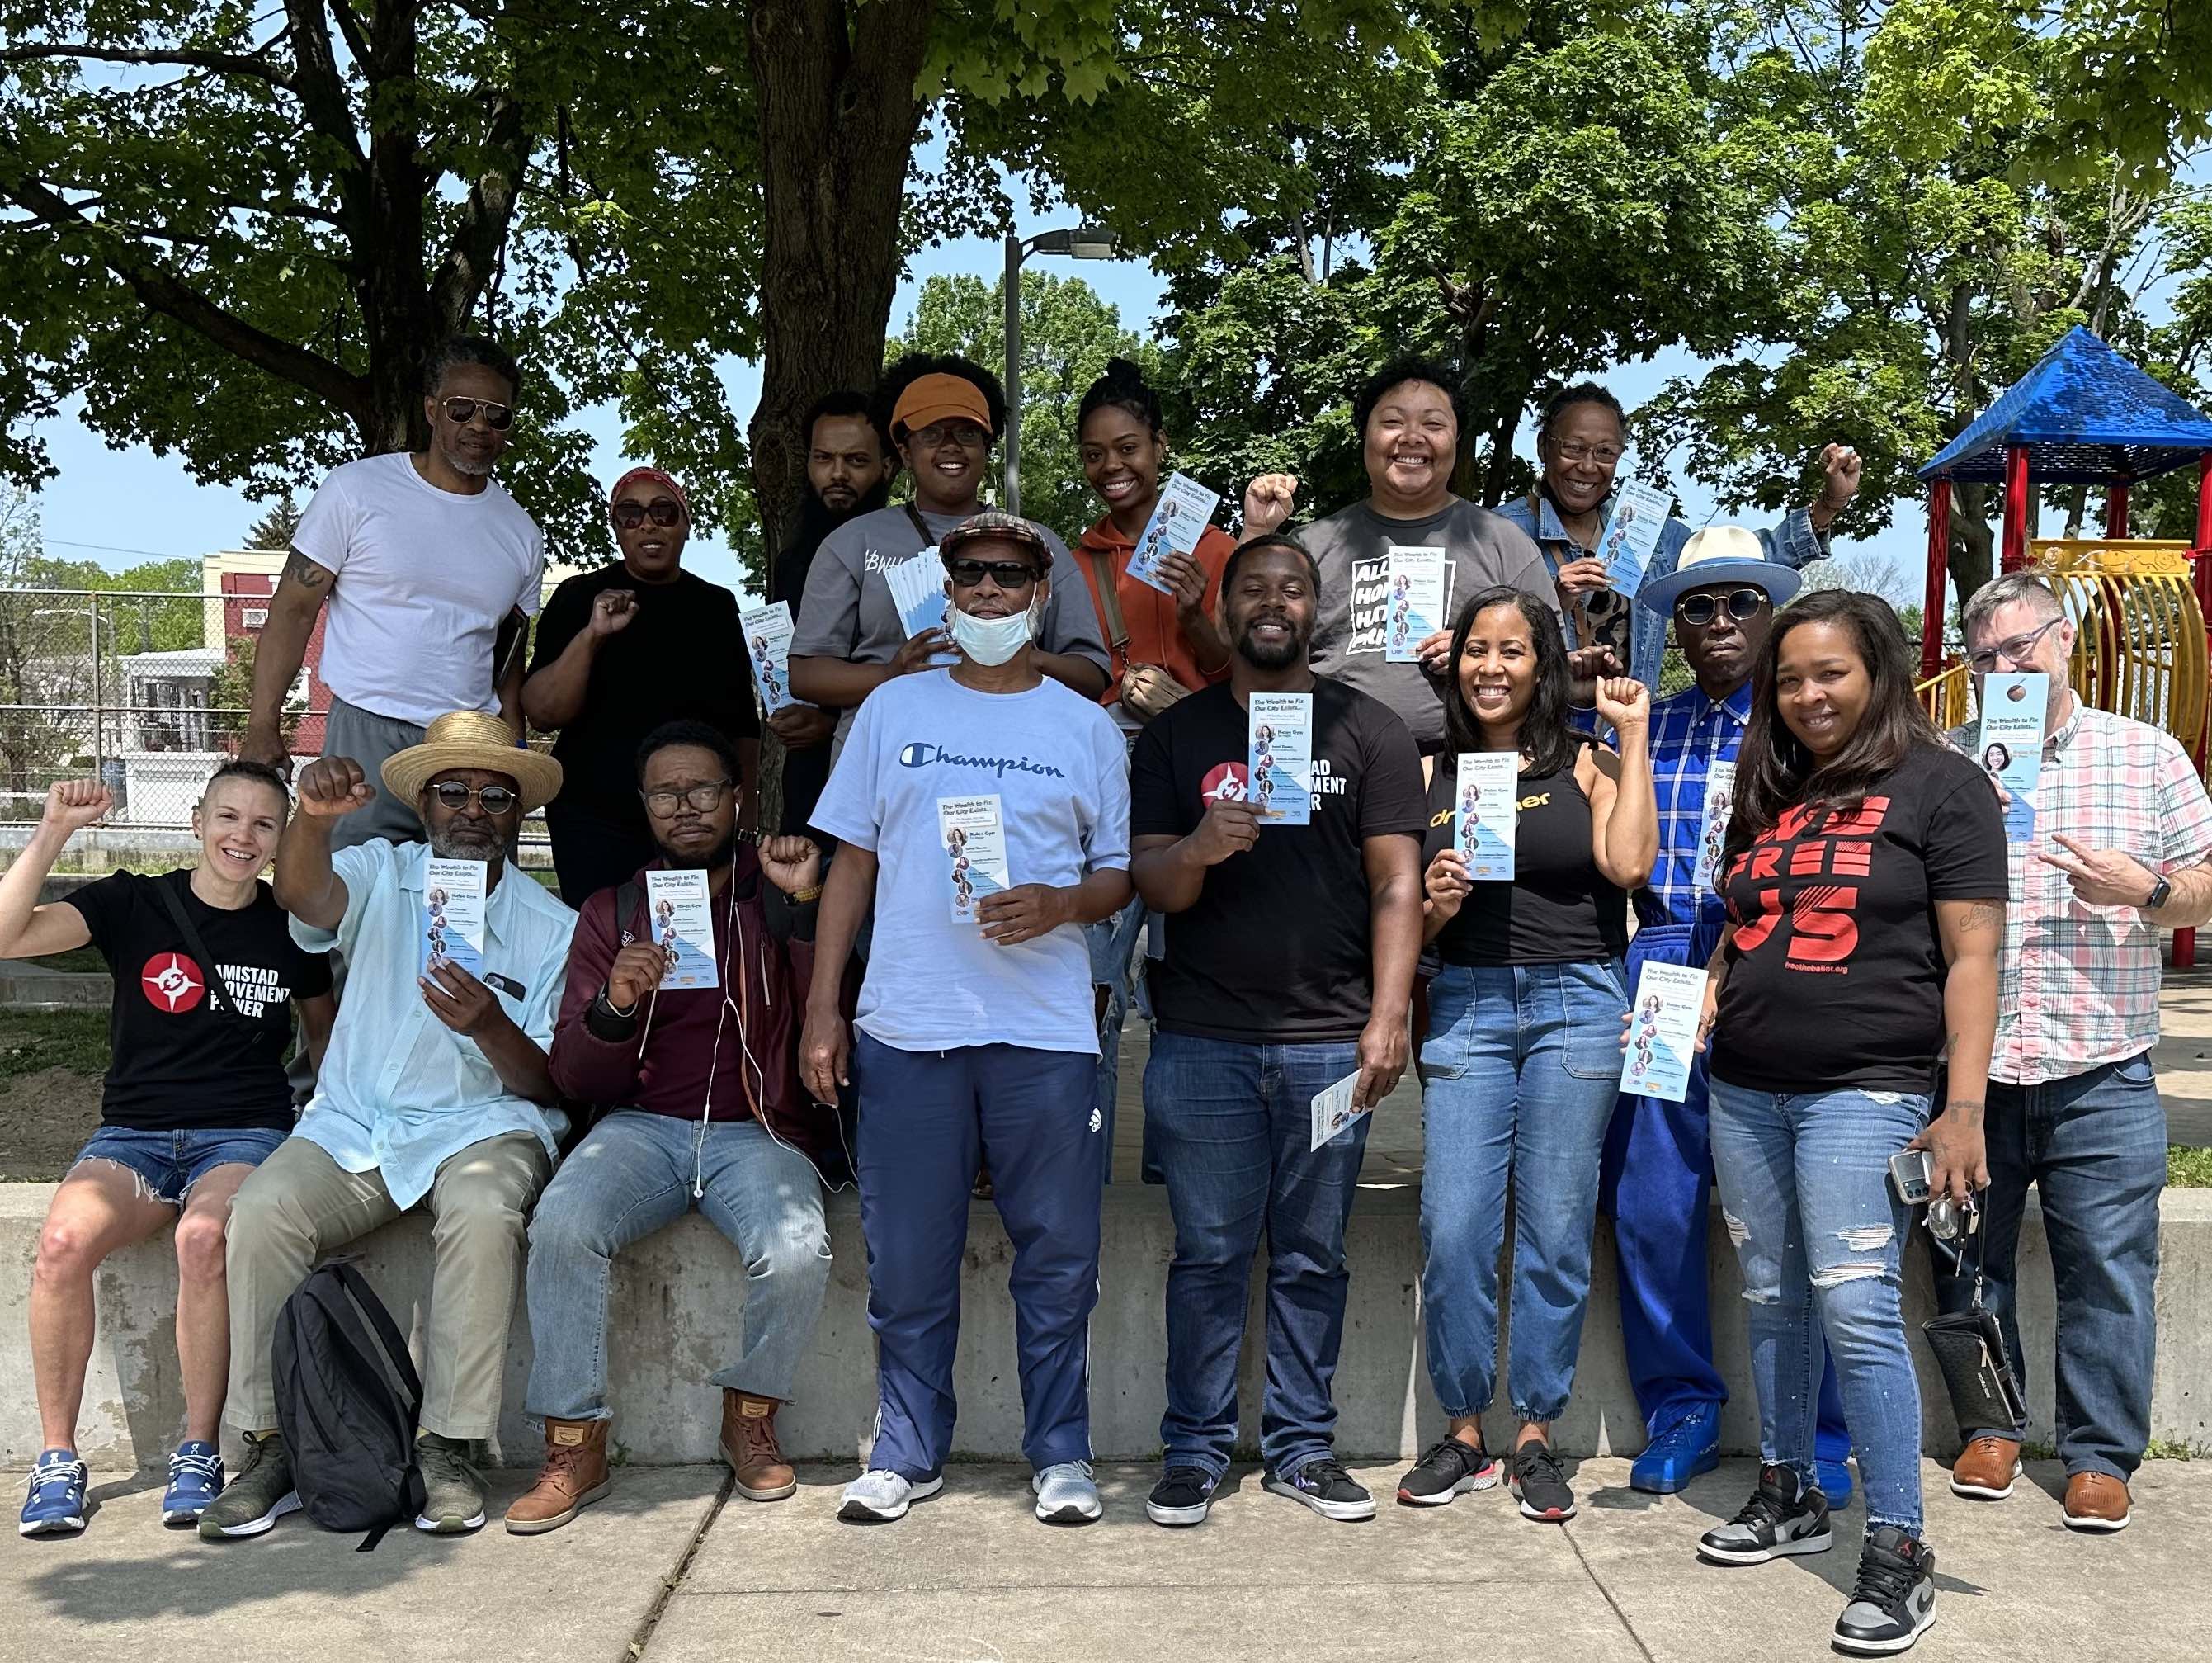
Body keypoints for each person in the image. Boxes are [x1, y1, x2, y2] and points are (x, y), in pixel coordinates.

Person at [799, 512, 1131, 1527]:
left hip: (1043, 1030)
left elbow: (1116, 874)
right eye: (971, 576)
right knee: (906, 1254)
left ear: (1040, 595)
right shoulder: (894, 708)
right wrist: (825, 1008)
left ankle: (1060, 1451)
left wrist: (1060, 903)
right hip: (907, 1023)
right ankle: (905, 1447)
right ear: (948, 593)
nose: (988, 592)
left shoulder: (1083, 725)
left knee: (1059, 1257)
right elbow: (849, 861)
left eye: (1009, 576)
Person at [1692, 591, 2005, 1657]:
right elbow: (1751, 911)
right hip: (1743, 1083)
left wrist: (1962, 1106)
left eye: (1828, 673)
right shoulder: (1773, 781)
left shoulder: (1945, 787)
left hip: (1865, 1086)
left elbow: (1973, 956)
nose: (1806, 695)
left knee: (1854, 1304)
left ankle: (1900, 1543)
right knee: (1772, 1293)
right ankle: (1786, 1486)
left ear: (1877, 668)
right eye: (1788, 679)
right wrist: (1715, 980)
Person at [197, 712, 577, 1543]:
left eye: (494, 794)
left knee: (481, 1211)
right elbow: (302, 893)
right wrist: (315, 818)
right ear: (424, 804)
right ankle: (270, 1442)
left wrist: (489, 1026)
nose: (472, 808)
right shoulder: (378, 868)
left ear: (519, 815)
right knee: (261, 1212)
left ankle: (450, 1442)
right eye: (452, 790)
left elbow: (551, 1081)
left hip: (484, 1123)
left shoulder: (554, 925)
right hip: (358, 1120)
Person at [1129, 533, 1426, 1527]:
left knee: (1312, 1252)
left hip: (1329, 1039)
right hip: (1202, 1037)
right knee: (1207, 1250)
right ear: (1221, 607)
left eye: (1291, 587)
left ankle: (1303, 1446)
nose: (1271, 602)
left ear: (1315, 608)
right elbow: (1150, 883)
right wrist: (1200, 845)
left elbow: (1397, 881)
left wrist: (1388, 1016)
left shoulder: (1369, 729)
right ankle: (1195, 1448)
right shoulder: (1176, 737)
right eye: (1250, 586)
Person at [507, 721, 840, 1534]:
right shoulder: (612, 911)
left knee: (796, 1244)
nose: (684, 806)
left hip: (755, 1131)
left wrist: (799, 902)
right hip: (642, 1127)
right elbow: (578, 1078)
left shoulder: (778, 893)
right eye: (665, 792)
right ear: (645, 807)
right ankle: (574, 1442)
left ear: (738, 797)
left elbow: (826, 1023)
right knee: (562, 1221)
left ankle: (749, 1413)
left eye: (701, 789)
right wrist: (614, 1004)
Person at [1936, 571, 2212, 1532]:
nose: (2007, 667)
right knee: (1967, 1257)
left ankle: (2099, 1456)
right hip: (1975, 1066)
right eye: (1986, 657)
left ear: (2065, 641)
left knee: (2107, 1264)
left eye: (2022, 646)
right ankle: (1992, 1428)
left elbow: (2207, 885)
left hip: (2101, 1063)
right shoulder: (1951, 758)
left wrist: (2142, 892)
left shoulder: (2145, 755)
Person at [1596, 529, 1856, 1501]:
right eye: (1697, 605)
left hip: (1780, 961)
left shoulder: (1805, 732)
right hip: (1664, 961)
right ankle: (1681, 1404)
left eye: (1739, 602)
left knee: (1794, 1200)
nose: (1717, 622)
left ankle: (1819, 1431)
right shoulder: (1637, 727)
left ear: (1771, 613)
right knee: (1652, 1196)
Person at [8, 765, 335, 1536]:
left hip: (244, 1133)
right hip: (134, 1136)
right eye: (227, 816)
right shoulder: (133, 902)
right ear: (196, 819)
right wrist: (54, 830)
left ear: (279, 837)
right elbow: (4, 937)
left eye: (263, 824)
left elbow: (327, 1038)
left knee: (202, 1236)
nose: (242, 837)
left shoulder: (290, 926)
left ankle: (198, 1447)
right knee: (59, 1243)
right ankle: (57, 1456)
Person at [1394, 589, 1654, 1524]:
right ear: (1454, 662)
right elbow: (1403, 923)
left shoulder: (1583, 760)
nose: (1491, 666)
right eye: (1475, 649)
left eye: (1512, 650)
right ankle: (1462, 1428)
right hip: (1465, 1002)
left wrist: (1631, 740)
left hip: (1577, 1003)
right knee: (1454, 1223)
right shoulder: (1429, 771)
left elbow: (1628, 869)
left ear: (1543, 664)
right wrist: (1433, 904)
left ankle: (1536, 1432)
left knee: (1551, 1228)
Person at [243, 337, 545, 846]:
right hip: (367, 730)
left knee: (469, 912)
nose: (478, 425)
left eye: (497, 416)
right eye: (462, 408)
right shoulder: (356, 491)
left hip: (467, 745)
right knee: (353, 902)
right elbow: (293, 612)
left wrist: (512, 751)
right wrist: (261, 724)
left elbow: (508, 659)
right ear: (431, 409)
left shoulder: (521, 533)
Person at [1070, 357, 1241, 1177]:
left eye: (1127, 447)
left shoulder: (1217, 546)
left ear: (1160, 446)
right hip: (1110, 787)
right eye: (1095, 454)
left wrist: (1203, 606)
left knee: (1181, 993)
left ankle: (1177, 1177)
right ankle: (1085, 1175)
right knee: (1093, 990)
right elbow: (1061, 673)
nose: (1112, 467)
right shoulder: (1076, 562)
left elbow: (1244, 672)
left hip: (1200, 790)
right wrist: (1118, 686)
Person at [787, 354, 1111, 763]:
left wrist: (1023, 660)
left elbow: (1092, 676)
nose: (951, 447)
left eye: (967, 434)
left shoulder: (1037, 545)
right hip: (884, 766)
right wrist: (890, 674)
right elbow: (806, 675)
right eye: (932, 434)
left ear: (987, 448)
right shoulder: (852, 542)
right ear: (904, 451)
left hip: (1013, 763)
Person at [1238, 356, 1555, 752]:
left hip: (1462, 768)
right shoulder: (1310, 546)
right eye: (1392, 422)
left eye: (1434, 424)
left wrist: (1477, 651)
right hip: (1331, 765)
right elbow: (1239, 646)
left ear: (1456, 440)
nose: (1412, 437)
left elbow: (1551, 662)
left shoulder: (1504, 544)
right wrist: (1256, 533)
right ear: (1365, 435)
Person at [1495, 381, 1859, 692]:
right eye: (1573, 448)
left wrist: (1829, 503)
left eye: (1606, 452)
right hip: (1538, 735)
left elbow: (1737, 559)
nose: (1588, 466)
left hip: (1628, 735)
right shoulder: (1500, 533)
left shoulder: (1644, 530)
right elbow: (1475, 644)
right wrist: (1550, 600)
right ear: (1544, 447)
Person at [525, 467, 762, 904]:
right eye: (630, 515)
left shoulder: (716, 607)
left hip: (693, 814)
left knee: (692, 949)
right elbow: (542, 711)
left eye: (664, 512)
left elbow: (742, 723)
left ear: (687, 525)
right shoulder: (580, 596)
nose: (648, 524)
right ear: (617, 528)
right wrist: (592, 635)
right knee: (604, 941)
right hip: (595, 811)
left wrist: (745, 815)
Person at [773, 390, 899, 836]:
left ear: (889, 466)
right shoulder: (790, 563)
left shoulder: (910, 558)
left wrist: (828, 722)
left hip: (890, 764)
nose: (838, 474)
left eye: (857, 461)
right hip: (809, 777)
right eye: (823, 458)